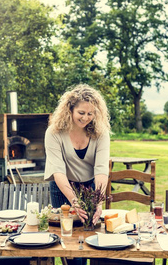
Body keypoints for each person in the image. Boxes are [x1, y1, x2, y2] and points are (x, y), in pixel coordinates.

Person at [44, 84, 110, 265]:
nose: (86, 118)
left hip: (90, 187)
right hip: (62, 188)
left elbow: (101, 170)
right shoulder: (54, 133)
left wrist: (97, 200)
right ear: (69, 109)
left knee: (92, 239)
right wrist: (74, 201)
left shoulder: (101, 133)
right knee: (69, 243)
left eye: (91, 113)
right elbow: (58, 171)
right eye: (81, 112)